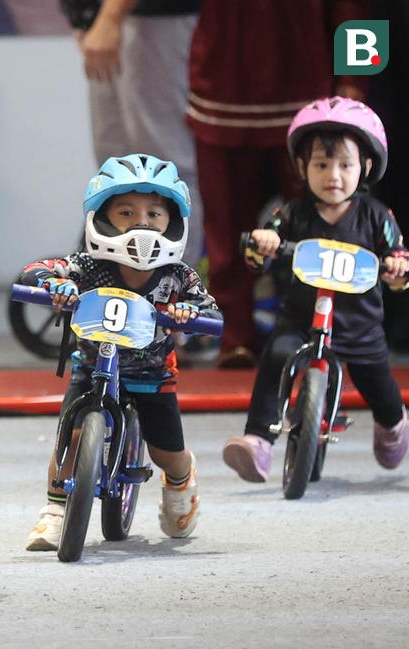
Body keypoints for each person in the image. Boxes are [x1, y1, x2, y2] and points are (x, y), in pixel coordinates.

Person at [22, 154, 219, 551]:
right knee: (71, 436)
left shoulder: (178, 275)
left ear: (173, 222)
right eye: (126, 212)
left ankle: (181, 479)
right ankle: (56, 510)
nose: (141, 222)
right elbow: (36, 270)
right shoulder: (88, 264)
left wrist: (189, 312)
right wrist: (55, 284)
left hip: (152, 375)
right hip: (92, 367)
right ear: (103, 219)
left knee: (167, 451)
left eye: (154, 213)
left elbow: (210, 311)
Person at [222, 98, 409, 481]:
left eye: (345, 165)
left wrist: (397, 268)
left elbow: (398, 255)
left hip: (359, 326)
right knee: (276, 355)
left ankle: (392, 425)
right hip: (301, 321)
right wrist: (263, 243)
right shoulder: (292, 213)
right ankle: (258, 441)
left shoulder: (376, 216)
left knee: (381, 387)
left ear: (366, 167)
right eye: (322, 165)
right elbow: (260, 252)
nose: (334, 176)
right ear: (303, 168)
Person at [186, 0, 369, 368]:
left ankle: (326, 335)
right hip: (221, 87)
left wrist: (357, 80)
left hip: (309, 99)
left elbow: (357, 10)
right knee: (226, 233)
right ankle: (234, 339)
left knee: (326, 230)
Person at [61, 0, 203, 265]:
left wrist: (109, 18)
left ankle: (175, 290)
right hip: (102, 20)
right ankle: (118, 285)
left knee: (165, 169)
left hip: (153, 19)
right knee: (114, 171)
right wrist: (82, 19)